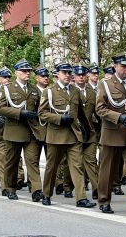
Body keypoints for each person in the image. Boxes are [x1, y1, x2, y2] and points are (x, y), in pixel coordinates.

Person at [38, 62, 96, 208]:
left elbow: (82, 115)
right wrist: (59, 118)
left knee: (77, 166)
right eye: (65, 73)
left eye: (69, 73)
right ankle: (46, 194)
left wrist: (88, 130)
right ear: (57, 74)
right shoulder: (49, 91)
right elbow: (42, 113)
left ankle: (81, 198)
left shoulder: (75, 91)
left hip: (74, 135)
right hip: (56, 136)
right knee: (52, 167)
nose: (68, 75)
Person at [96, 54, 126, 215]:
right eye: (123, 66)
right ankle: (104, 200)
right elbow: (100, 109)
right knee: (107, 171)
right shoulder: (105, 84)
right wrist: (118, 117)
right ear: (115, 66)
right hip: (111, 135)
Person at [0, 60, 44, 202]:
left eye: (29, 71)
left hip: (31, 131)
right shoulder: (6, 88)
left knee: (32, 161)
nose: (27, 73)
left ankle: (36, 190)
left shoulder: (34, 89)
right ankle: (10, 188)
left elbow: (38, 110)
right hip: (13, 131)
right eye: (24, 71)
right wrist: (19, 113)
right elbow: (0, 109)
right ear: (16, 72)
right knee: (12, 162)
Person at [74, 64, 100, 200]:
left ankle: (97, 189)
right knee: (76, 164)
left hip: (90, 133)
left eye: (83, 75)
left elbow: (98, 113)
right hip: (75, 133)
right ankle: (72, 188)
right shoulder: (71, 91)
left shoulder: (92, 93)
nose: (81, 77)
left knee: (91, 162)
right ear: (74, 76)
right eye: (78, 75)